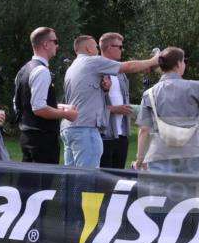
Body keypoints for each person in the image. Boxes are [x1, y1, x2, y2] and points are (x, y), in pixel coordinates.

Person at [61, 36, 158, 168]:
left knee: (71, 176)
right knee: (87, 176)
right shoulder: (92, 62)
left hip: (71, 128)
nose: (98, 50)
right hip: (85, 129)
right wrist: (153, 61)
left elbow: (83, 97)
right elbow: (129, 66)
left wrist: (105, 90)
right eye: (96, 47)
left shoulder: (73, 67)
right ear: (89, 48)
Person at [132, 49, 199, 174]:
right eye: (184, 61)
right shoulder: (195, 87)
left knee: (161, 187)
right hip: (192, 152)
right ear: (178, 63)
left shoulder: (149, 93)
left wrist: (140, 159)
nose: (185, 64)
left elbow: (144, 130)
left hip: (159, 153)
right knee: (188, 187)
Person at [13, 27, 77, 163]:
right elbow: (39, 108)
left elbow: (23, 104)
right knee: (43, 177)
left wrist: (60, 106)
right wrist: (66, 114)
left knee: (29, 176)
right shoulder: (41, 71)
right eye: (55, 41)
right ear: (46, 44)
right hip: (42, 139)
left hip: (27, 135)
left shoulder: (24, 70)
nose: (57, 45)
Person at [97, 33, 133, 169]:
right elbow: (90, 105)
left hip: (122, 134)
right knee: (103, 177)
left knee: (118, 176)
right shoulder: (96, 71)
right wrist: (114, 109)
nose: (122, 50)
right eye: (120, 47)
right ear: (108, 47)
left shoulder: (121, 73)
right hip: (104, 134)